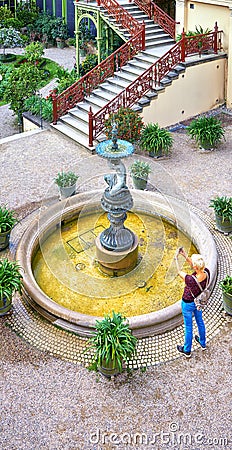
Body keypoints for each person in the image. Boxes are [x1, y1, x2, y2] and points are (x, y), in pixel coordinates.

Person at [175, 247, 210, 358]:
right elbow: (195, 266)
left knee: (188, 327)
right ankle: (203, 343)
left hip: (188, 303)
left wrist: (176, 259)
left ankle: (187, 350)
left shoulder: (190, 280)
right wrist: (185, 255)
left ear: (196, 266)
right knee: (200, 321)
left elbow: (179, 272)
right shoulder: (206, 272)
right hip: (198, 302)